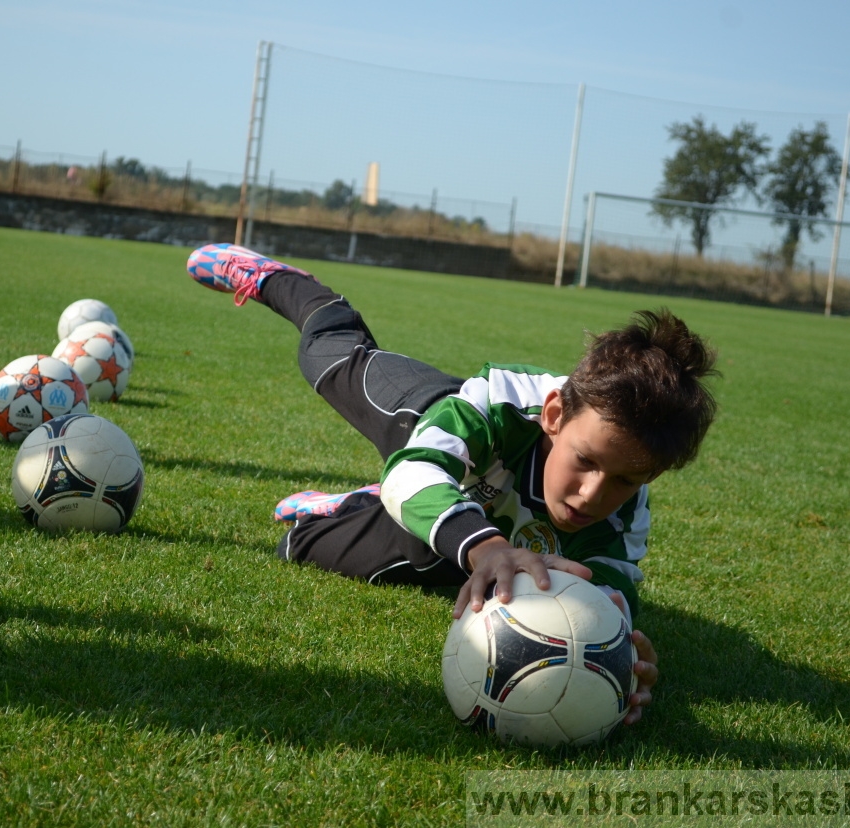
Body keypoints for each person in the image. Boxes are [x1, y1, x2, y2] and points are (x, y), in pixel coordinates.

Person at [186, 243, 719, 726]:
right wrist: (487, 546)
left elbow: (609, 579)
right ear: (554, 414)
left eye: (627, 480)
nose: (593, 494)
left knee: (297, 548)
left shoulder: (625, 507)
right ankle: (278, 278)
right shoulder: (502, 404)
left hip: (471, 514)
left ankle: (366, 507)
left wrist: (615, 647)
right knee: (328, 355)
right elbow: (413, 470)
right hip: (426, 431)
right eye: (584, 461)